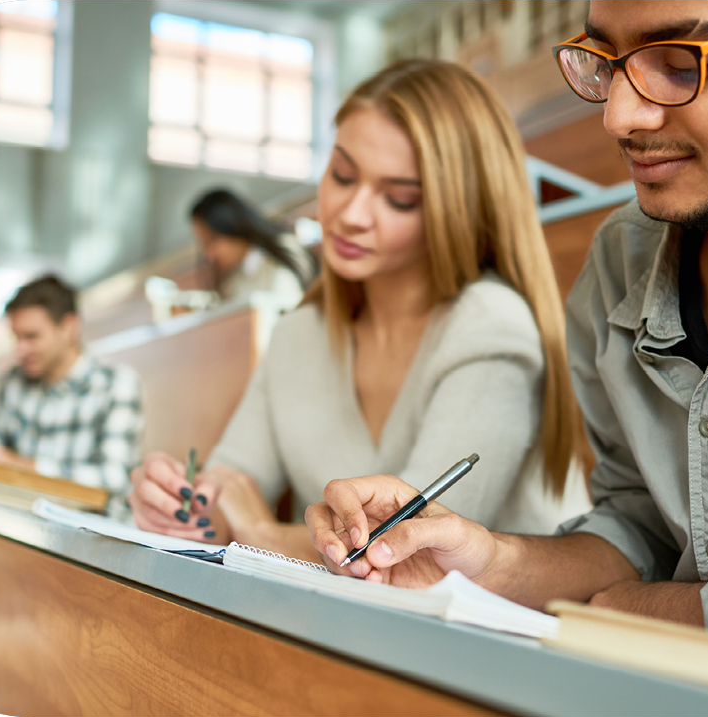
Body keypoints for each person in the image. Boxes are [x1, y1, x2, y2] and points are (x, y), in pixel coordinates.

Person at [307, 0, 708, 668]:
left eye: (683, 63)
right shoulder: (621, 259)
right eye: (608, 63)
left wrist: (651, 610)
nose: (619, 117)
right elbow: (640, 530)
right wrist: (486, 559)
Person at [128, 59, 589, 561]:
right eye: (342, 175)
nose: (349, 215)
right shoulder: (300, 333)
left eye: (398, 199)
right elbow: (230, 485)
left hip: (504, 630)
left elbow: (408, 553)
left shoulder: (491, 327)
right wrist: (181, 504)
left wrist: (259, 533)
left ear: (458, 209)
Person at [0, 275, 144, 497]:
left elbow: (115, 478)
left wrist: (25, 467)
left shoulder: (117, 384)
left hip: (88, 524)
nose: (20, 350)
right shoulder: (14, 381)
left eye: (31, 337)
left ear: (68, 327)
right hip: (22, 514)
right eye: (17, 338)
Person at [189, 188, 318, 309]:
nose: (209, 254)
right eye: (204, 245)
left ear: (232, 225)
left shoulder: (283, 253)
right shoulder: (233, 280)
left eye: (212, 240)